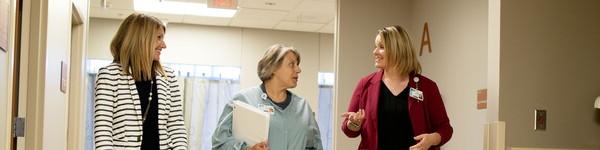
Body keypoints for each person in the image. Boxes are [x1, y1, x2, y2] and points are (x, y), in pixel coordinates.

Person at [341, 25, 452, 150]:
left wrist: (433, 139)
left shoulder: (427, 87)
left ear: (397, 50)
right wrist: (353, 124)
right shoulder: (365, 84)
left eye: (381, 47)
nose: (375, 52)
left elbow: (445, 129)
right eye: (375, 47)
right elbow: (348, 129)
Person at [94, 13, 188, 150]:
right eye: (158, 38)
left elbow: (177, 127)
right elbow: (103, 134)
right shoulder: (109, 76)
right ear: (141, 40)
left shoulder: (169, 77)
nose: (164, 45)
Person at [212, 44, 323, 150]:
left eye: (297, 65)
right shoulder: (243, 101)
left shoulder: (303, 107)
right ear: (273, 67)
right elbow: (219, 144)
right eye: (291, 64)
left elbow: (315, 146)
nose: (298, 70)